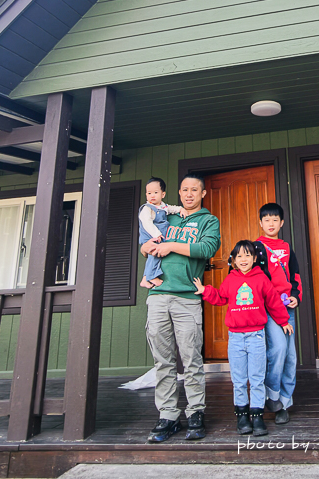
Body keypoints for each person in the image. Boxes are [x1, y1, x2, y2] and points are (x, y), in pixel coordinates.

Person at [141, 172, 221, 443]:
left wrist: (172, 245)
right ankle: (168, 415)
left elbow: (207, 247)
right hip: (158, 295)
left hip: (187, 297)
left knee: (191, 358)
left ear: (203, 194)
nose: (188, 194)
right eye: (184, 189)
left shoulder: (208, 220)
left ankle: (196, 412)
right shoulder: (165, 216)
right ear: (178, 193)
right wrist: (145, 247)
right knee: (162, 360)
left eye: (194, 190)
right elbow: (146, 239)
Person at [193, 239, 292, 436]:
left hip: (256, 335)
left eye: (248, 255)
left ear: (254, 258)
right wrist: (206, 291)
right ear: (234, 261)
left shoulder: (261, 279)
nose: (244, 259)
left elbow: (273, 302)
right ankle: (242, 416)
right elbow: (221, 297)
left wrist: (283, 321)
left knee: (256, 378)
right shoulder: (231, 279)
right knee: (238, 379)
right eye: (239, 256)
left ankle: (257, 416)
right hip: (236, 337)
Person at [254, 202, 302, 424]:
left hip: (286, 307)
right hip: (269, 308)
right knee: (278, 349)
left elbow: (295, 275)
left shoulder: (286, 247)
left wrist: (296, 296)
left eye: (275, 220)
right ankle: (272, 394)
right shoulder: (255, 247)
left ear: (281, 223)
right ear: (261, 223)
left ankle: (284, 401)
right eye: (267, 220)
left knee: (291, 356)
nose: (271, 223)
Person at [137, 176, 184, 289]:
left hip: (158, 236)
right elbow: (147, 223)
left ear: (163, 194)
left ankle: (145, 278)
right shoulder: (147, 208)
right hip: (151, 236)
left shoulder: (163, 206)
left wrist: (180, 209)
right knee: (155, 255)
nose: (152, 195)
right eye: (149, 193)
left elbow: (171, 208)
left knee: (153, 256)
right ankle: (152, 276)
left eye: (155, 192)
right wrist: (156, 234)